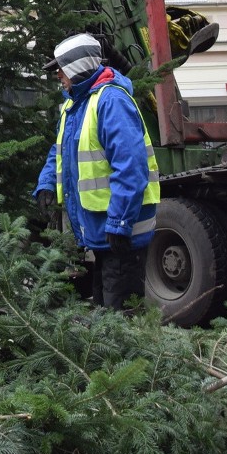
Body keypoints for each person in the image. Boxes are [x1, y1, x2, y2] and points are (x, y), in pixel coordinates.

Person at [34, 33, 159, 311]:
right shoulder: (74, 105)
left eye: (61, 68)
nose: (57, 75)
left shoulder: (111, 101)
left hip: (122, 233)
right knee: (106, 313)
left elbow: (130, 167)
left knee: (120, 316)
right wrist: (45, 185)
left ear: (77, 68)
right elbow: (59, 152)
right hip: (103, 233)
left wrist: (120, 223)